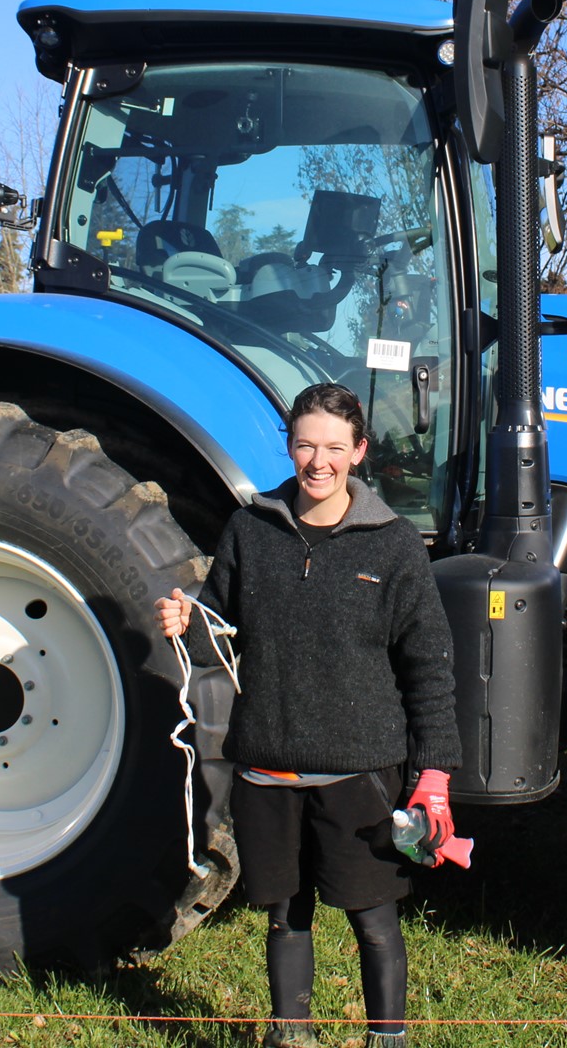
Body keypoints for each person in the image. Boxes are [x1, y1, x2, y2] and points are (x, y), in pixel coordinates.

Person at [158, 382, 462, 1048]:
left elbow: (429, 667)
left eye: (332, 447)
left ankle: (388, 1040)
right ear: (289, 447)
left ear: (358, 451)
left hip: (361, 772)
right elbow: (221, 634)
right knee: (283, 918)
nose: (317, 462)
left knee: (374, 920)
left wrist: (434, 773)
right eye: (304, 445)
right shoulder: (250, 529)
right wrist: (188, 622)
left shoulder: (394, 544)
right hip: (267, 765)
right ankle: (289, 1036)